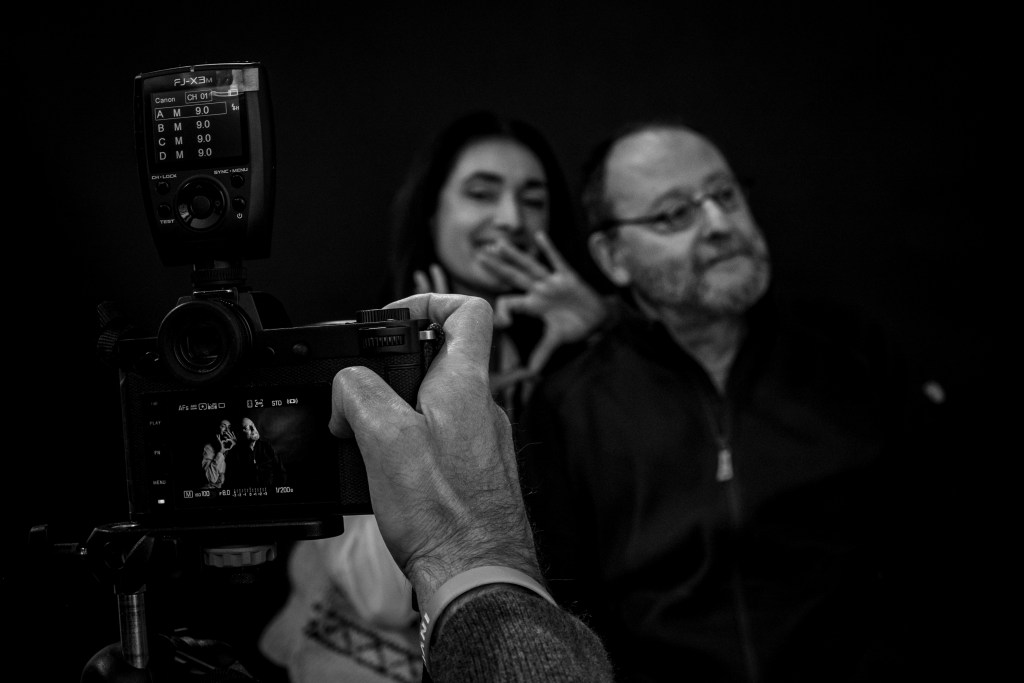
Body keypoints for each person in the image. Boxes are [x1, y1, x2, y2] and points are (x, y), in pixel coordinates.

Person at [517, 120, 944, 681]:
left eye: (724, 195)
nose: (720, 224)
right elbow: (566, 613)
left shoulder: (851, 356)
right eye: (675, 214)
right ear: (613, 257)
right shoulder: (573, 407)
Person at [261, 112, 609, 682]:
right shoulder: (365, 353)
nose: (511, 218)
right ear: (433, 211)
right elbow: (377, 594)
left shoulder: (563, 355)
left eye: (533, 199)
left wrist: (601, 330)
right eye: (481, 193)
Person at [329, 293, 614, 682]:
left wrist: (606, 327)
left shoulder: (576, 374)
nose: (511, 227)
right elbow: (379, 600)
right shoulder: (379, 372)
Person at [237, 416, 286, 489]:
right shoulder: (237, 452)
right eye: (248, 427)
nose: (253, 429)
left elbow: (281, 472)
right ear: (240, 432)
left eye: (253, 425)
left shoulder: (267, 446)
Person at [201, 418, 235, 489]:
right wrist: (220, 453)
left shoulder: (232, 447)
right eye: (223, 426)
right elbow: (211, 479)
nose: (227, 430)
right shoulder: (209, 448)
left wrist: (236, 448)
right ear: (217, 429)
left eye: (229, 427)